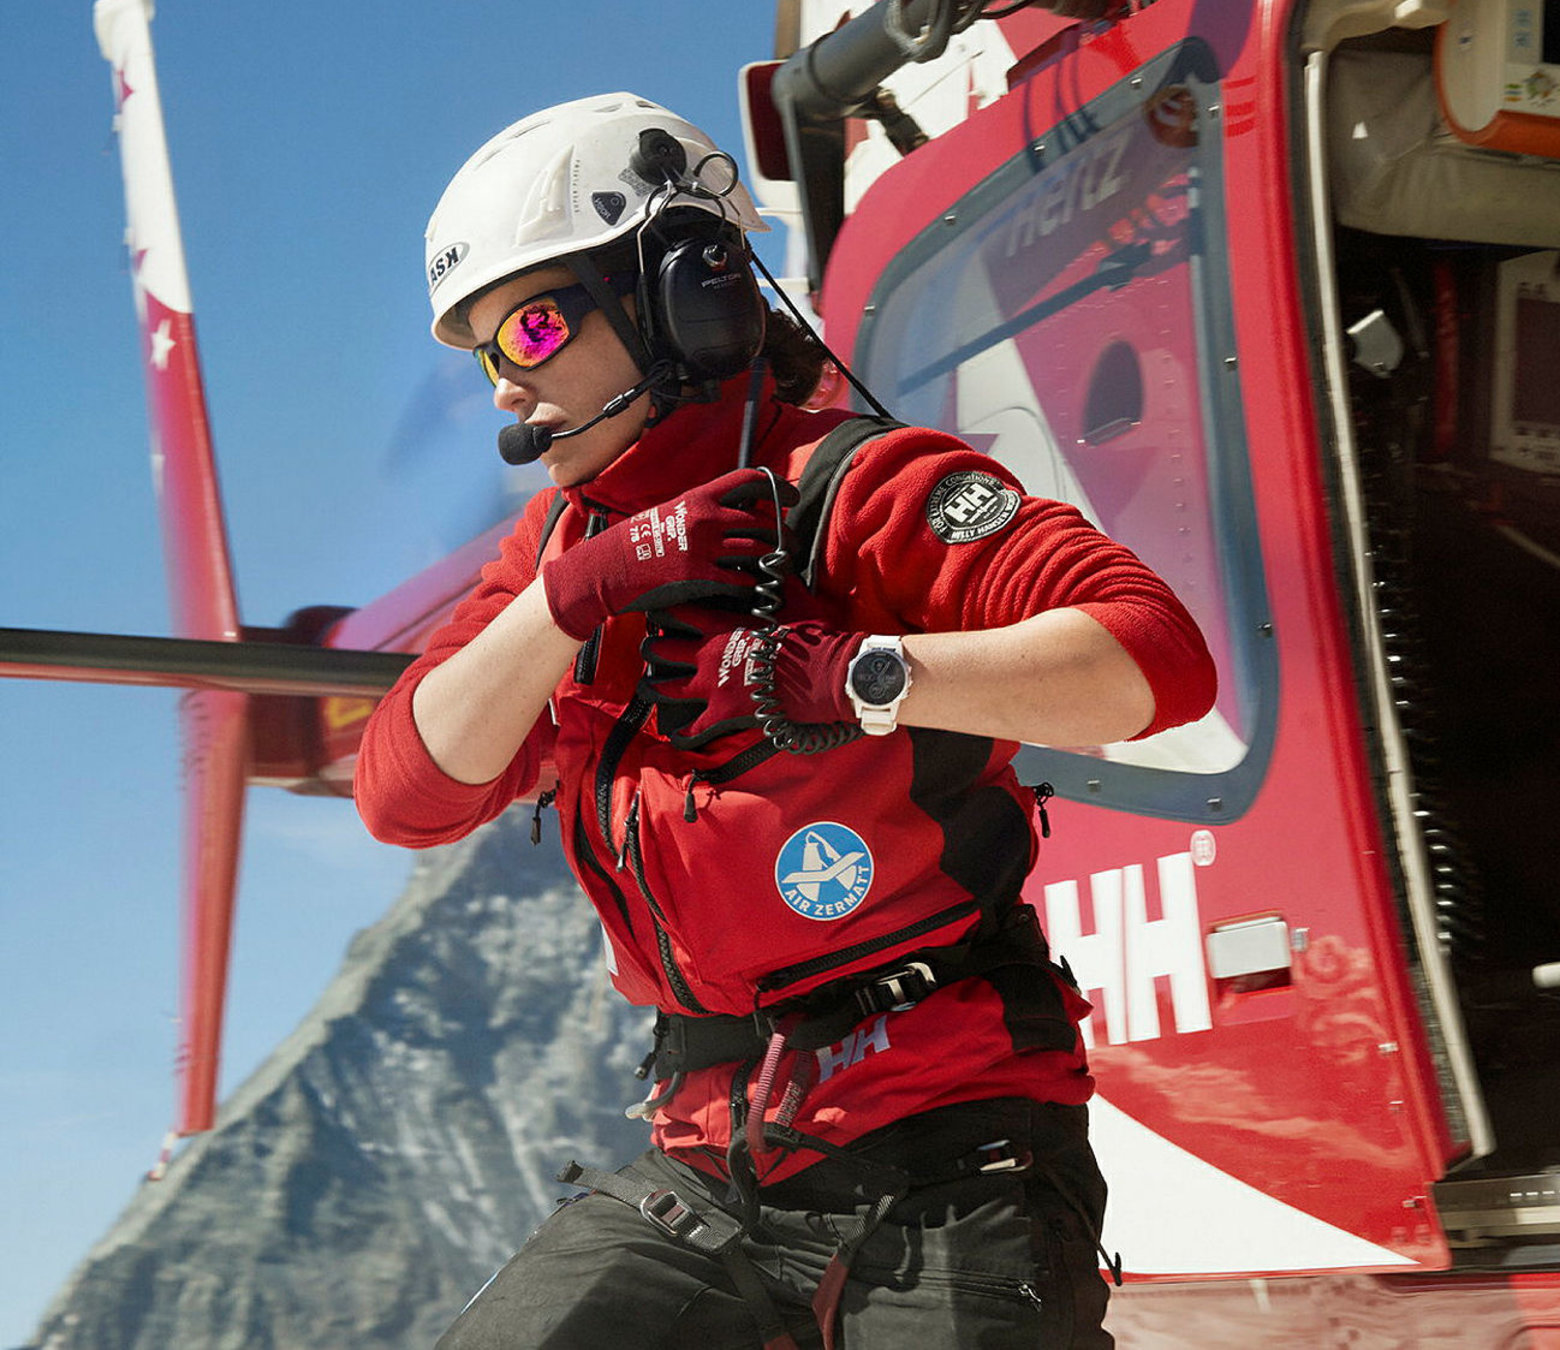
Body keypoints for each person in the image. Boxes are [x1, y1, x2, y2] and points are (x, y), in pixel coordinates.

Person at [354, 93, 1215, 1349]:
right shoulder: (556, 557)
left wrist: (856, 675)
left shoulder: (859, 485)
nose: (512, 390)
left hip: (949, 1129)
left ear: (681, 290)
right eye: (486, 355)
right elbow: (403, 797)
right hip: (712, 1153)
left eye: (533, 325)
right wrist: (576, 593)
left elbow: (1153, 660)